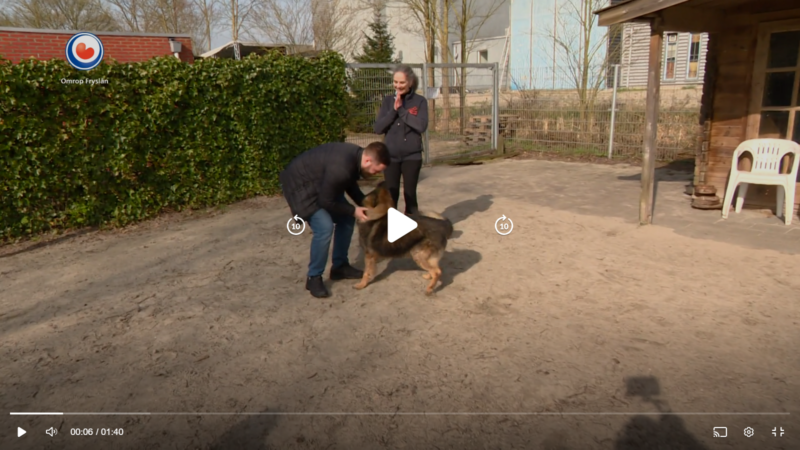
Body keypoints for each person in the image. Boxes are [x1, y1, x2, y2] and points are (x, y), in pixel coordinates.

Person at [279, 141, 390, 298]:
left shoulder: (355, 157)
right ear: (368, 161)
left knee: (346, 219)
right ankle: (313, 277)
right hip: (302, 189)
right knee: (324, 227)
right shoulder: (342, 167)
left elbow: (349, 185)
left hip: (322, 185)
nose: (375, 174)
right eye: (375, 170)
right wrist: (353, 210)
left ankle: (340, 267)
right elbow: (326, 201)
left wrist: (368, 207)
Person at [374, 64, 429, 214]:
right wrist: (393, 110)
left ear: (410, 82)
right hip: (391, 156)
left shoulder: (420, 102)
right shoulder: (387, 101)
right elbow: (378, 128)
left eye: (402, 82)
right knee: (391, 195)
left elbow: (421, 126)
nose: (398, 86)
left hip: (412, 156)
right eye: (395, 82)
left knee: (410, 195)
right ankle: (391, 231)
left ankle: (411, 230)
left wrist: (402, 112)